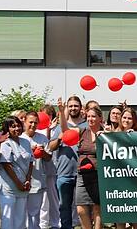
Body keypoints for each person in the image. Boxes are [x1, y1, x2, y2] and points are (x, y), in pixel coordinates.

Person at [0, 116, 33, 229]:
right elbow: (6, 165)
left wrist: (28, 180)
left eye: (18, 125)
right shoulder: (6, 143)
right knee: (8, 220)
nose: (17, 128)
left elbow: (31, 161)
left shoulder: (26, 141)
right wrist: (18, 183)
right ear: (7, 129)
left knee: (20, 220)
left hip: (23, 186)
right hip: (9, 188)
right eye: (13, 126)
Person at [53, 97, 84, 229]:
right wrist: (59, 140)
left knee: (83, 208)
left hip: (83, 173)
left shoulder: (87, 125)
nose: (73, 108)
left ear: (80, 107)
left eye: (75, 106)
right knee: (64, 207)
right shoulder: (60, 127)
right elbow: (51, 146)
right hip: (64, 173)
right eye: (70, 106)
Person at [73, 107, 103, 229]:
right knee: (80, 209)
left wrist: (106, 135)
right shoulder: (81, 131)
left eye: (93, 116)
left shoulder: (106, 132)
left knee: (97, 208)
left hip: (98, 174)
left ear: (100, 118)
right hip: (82, 175)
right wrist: (62, 111)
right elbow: (65, 131)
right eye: (89, 116)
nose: (90, 119)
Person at [23, 111, 52, 229]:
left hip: (37, 180)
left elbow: (49, 157)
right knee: (22, 212)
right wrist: (29, 150)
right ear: (24, 121)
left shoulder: (42, 138)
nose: (33, 125)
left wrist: (42, 152)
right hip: (20, 180)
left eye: (35, 123)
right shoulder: (19, 137)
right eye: (30, 122)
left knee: (35, 212)